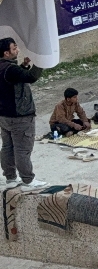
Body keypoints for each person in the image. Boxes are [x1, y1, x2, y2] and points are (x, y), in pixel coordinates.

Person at [0, 45, 44, 190]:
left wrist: (24, 66)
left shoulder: (4, 67)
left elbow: (13, 80)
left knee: (8, 147)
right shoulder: (10, 69)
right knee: (22, 149)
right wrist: (41, 61)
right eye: (14, 49)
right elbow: (31, 77)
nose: (17, 50)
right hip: (20, 117)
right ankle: (28, 181)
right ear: (6, 53)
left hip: (5, 115)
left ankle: (11, 178)